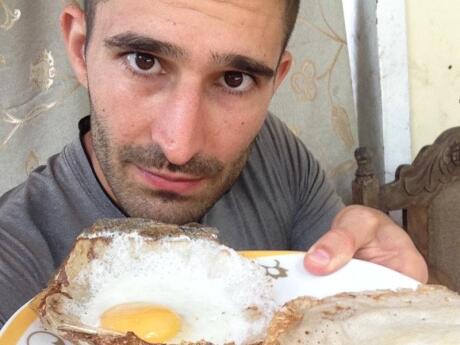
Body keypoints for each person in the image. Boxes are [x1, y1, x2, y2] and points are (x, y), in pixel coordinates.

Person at [0, 0, 427, 326]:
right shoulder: (16, 256)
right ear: (79, 49)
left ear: (275, 82)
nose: (179, 147)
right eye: (144, 61)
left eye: (234, 80)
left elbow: (340, 307)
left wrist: (387, 300)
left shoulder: (277, 154)